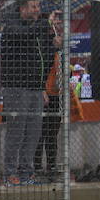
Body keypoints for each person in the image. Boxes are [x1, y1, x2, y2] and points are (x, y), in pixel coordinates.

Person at [1, 0, 60, 187]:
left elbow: (44, 58)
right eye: (33, 6)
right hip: (16, 87)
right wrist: (45, 23)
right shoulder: (12, 25)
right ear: (22, 9)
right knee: (16, 130)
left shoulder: (38, 28)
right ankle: (10, 173)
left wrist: (53, 46)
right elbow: (24, 36)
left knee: (33, 132)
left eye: (38, 6)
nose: (37, 9)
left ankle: (27, 172)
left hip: (36, 88)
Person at [35, 11, 64, 181]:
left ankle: (51, 165)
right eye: (55, 19)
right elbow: (43, 64)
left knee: (52, 133)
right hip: (44, 93)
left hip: (56, 94)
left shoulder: (58, 45)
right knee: (40, 132)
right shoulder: (43, 43)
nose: (57, 23)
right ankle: (37, 165)